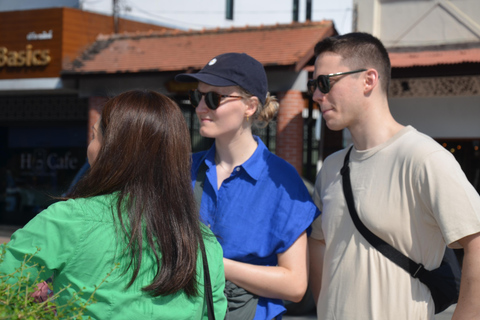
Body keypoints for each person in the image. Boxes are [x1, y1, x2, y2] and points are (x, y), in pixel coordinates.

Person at [0, 90, 227, 319]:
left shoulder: (70, 219)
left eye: (94, 136)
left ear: (112, 150)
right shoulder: (204, 242)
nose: (90, 147)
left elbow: (6, 281)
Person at [308, 32, 480, 320]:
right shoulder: (331, 167)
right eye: (314, 84)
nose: (316, 95)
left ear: (368, 80)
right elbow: (318, 241)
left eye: (325, 82)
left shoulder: (424, 158)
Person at [175, 52, 320, 320]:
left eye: (213, 98)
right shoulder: (182, 169)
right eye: (197, 96)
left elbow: (295, 285)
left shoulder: (282, 181)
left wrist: (215, 264)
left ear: (250, 106)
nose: (200, 108)